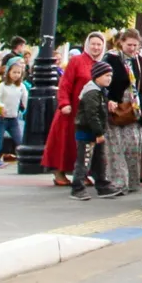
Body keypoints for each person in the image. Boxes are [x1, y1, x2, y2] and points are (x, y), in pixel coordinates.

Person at [45, 34, 105, 186]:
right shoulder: (76, 61)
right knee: (65, 142)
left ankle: (81, 173)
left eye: (99, 44)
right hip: (71, 109)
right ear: (87, 45)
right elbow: (65, 84)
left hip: (88, 111)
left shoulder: (101, 64)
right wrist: (64, 103)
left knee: (84, 145)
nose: (96, 47)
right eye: (93, 44)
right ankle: (59, 172)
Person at [101, 30, 142, 199]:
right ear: (121, 42)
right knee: (116, 147)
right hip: (116, 105)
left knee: (133, 145)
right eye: (129, 45)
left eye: (135, 45)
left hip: (133, 106)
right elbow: (103, 81)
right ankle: (118, 183)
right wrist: (108, 99)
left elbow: (140, 86)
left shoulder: (138, 60)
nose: (132, 48)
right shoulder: (111, 58)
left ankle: (132, 182)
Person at [71, 60, 118, 200]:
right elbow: (92, 114)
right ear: (97, 77)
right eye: (106, 75)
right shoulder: (92, 92)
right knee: (84, 161)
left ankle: (103, 185)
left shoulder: (100, 91)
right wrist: (98, 133)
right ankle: (77, 188)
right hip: (87, 133)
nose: (109, 78)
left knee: (99, 161)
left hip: (96, 132)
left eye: (110, 75)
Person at [0, 61, 28, 161]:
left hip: (13, 118)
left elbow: (25, 99)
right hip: (1, 118)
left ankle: (24, 159)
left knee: (19, 140)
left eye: (19, 73)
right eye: (14, 72)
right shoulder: (2, 85)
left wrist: (27, 109)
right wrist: (0, 108)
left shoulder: (21, 86)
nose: (16, 75)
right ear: (9, 72)